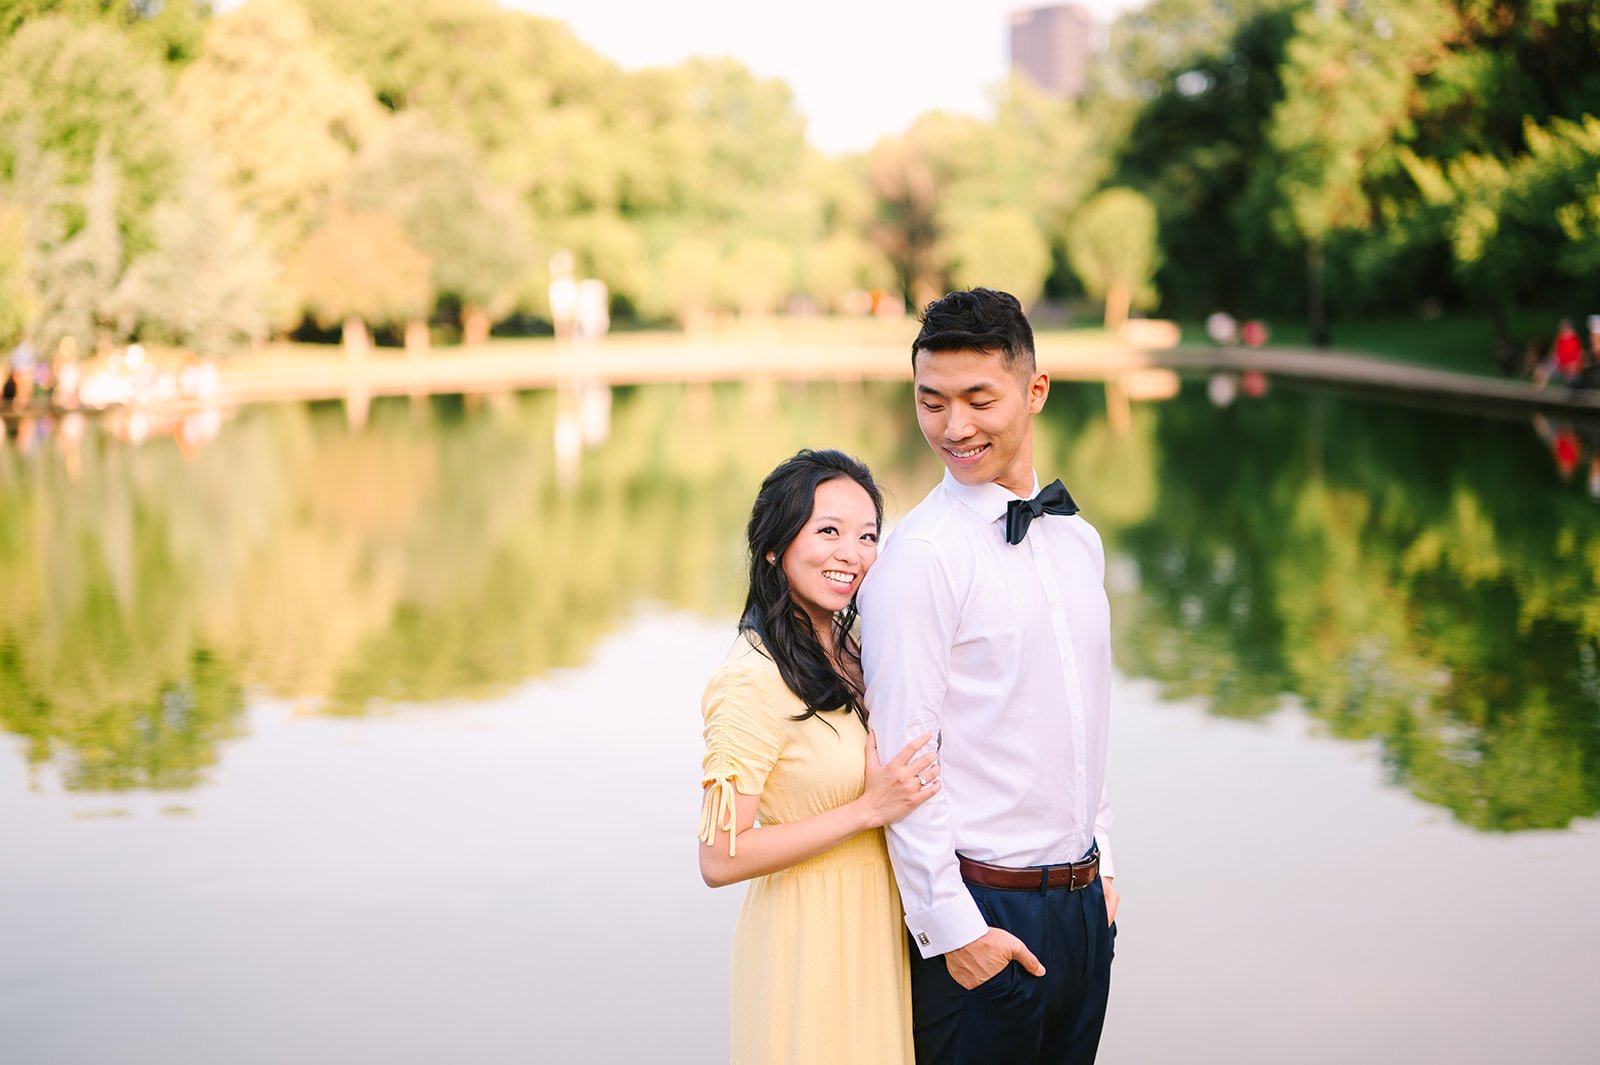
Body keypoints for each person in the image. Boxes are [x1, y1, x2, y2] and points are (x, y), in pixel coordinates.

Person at [859, 288, 1120, 1065]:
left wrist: (1104, 857)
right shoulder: (920, 559)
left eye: (979, 398)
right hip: (983, 912)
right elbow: (904, 753)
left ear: (1035, 390)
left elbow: (1085, 717)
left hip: (1083, 911)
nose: (953, 426)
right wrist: (955, 929)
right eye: (930, 401)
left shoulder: (1081, 540)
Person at [698, 448, 940, 1065]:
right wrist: (867, 810)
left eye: (866, 536)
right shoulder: (750, 679)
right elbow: (720, 858)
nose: (851, 553)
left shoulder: (857, 652)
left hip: (877, 930)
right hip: (807, 946)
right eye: (827, 531)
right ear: (776, 546)